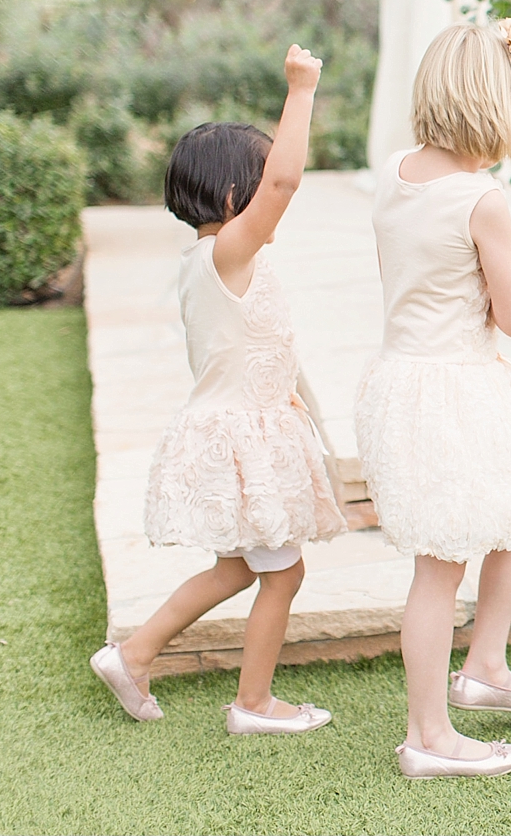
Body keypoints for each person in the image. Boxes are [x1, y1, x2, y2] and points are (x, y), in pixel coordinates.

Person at [91, 46, 348, 735]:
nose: (273, 194)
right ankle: (255, 704)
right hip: (241, 439)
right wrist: (301, 90)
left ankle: (135, 653)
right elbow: (287, 183)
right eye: (260, 184)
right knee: (282, 575)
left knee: (237, 570)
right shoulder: (228, 253)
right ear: (238, 196)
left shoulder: (218, 259)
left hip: (245, 430)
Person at [356, 19, 511, 779]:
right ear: (498, 105)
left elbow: (404, 273)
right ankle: (428, 738)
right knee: (440, 565)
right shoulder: (484, 198)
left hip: (404, 377)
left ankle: (484, 666)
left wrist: (484, 275)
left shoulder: (392, 171)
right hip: (454, 386)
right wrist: (507, 277)